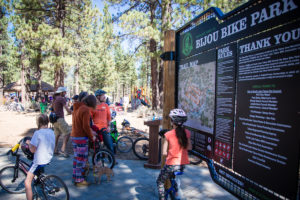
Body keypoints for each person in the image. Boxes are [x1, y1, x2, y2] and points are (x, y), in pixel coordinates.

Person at [156, 109, 192, 200]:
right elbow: (189, 148)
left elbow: (164, 153)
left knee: (160, 181)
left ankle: (162, 198)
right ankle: (175, 191)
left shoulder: (168, 134)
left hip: (171, 165)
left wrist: (165, 138)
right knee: (173, 178)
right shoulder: (187, 133)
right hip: (182, 165)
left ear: (172, 122)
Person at [24, 114, 55, 200]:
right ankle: (39, 179)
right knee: (37, 172)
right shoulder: (52, 132)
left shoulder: (37, 133)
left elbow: (32, 150)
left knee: (27, 182)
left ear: (38, 123)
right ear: (47, 122)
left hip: (39, 160)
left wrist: (29, 143)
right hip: (48, 157)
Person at [71, 95, 97, 187]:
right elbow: (85, 126)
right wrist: (91, 136)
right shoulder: (85, 109)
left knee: (77, 158)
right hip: (81, 138)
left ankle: (76, 177)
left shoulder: (77, 108)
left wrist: (90, 132)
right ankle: (79, 180)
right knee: (81, 160)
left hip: (74, 137)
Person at [91, 89, 114, 154]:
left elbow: (109, 117)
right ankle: (98, 161)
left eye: (104, 95)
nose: (104, 97)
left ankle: (112, 160)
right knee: (97, 147)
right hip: (96, 131)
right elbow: (90, 119)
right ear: (98, 96)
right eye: (103, 95)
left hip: (105, 129)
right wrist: (92, 130)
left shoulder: (106, 105)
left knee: (110, 145)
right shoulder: (93, 106)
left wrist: (109, 126)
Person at [52, 86, 72, 157]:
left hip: (54, 120)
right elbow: (68, 110)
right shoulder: (61, 99)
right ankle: (62, 150)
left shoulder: (55, 99)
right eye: (64, 92)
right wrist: (73, 112)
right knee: (68, 133)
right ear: (61, 93)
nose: (65, 93)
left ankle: (55, 149)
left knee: (57, 135)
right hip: (60, 119)